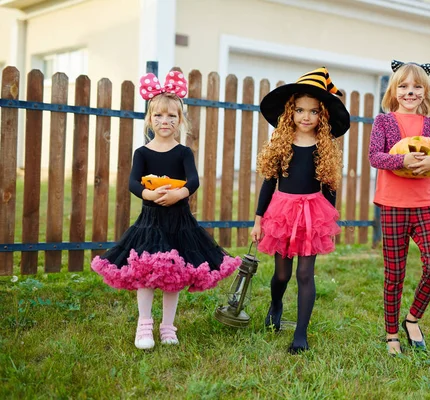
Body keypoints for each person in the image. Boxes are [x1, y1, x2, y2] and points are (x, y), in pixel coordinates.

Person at [92, 70, 241, 350]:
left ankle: (168, 326)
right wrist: (149, 193)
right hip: (150, 222)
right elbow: (133, 182)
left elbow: (194, 180)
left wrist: (179, 193)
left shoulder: (183, 152)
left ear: (180, 120)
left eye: (172, 116)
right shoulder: (143, 152)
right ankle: (144, 324)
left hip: (179, 222)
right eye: (159, 116)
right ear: (150, 119)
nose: (165, 121)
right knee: (146, 274)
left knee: (174, 276)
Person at [250, 67, 350, 354]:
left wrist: (327, 222)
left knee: (305, 273)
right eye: (300, 110)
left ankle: (300, 334)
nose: (306, 116)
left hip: (312, 213)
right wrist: (258, 221)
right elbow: (269, 183)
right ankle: (276, 303)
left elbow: (330, 186)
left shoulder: (323, 146)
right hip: (282, 211)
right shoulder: (281, 144)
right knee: (282, 274)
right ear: (289, 113)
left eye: (314, 111)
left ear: (323, 116)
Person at [369, 60, 430, 355]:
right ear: (394, 91)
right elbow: (375, 157)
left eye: (417, 86)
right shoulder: (383, 122)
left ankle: (413, 319)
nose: (410, 92)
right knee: (394, 274)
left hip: (424, 206)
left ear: (426, 90)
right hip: (393, 205)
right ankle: (391, 333)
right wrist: (401, 161)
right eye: (404, 86)